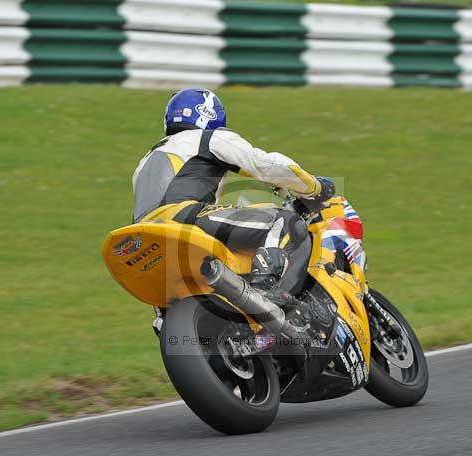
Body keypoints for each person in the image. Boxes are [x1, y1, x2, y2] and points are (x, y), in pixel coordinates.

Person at [131, 88, 334, 303]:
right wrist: (315, 186)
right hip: (184, 218)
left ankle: (165, 319)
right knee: (286, 222)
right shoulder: (207, 138)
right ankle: (266, 288)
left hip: (141, 238)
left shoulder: (145, 160)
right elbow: (265, 165)